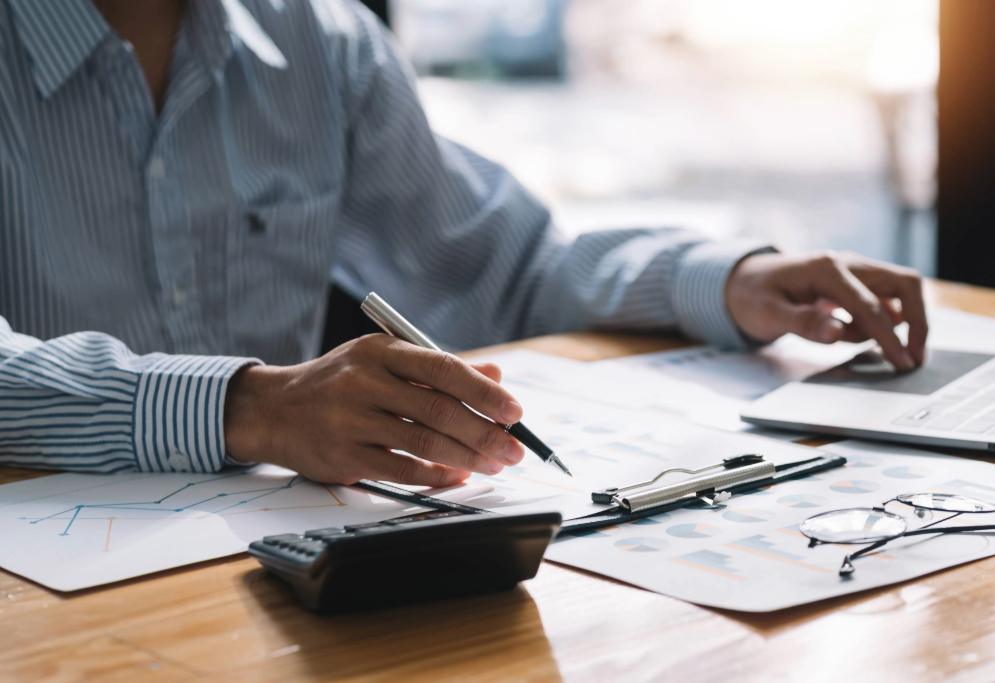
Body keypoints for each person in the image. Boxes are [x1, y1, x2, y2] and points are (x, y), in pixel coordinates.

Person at [0, 0, 927, 487]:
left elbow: (505, 270)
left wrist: (730, 281)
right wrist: (257, 410)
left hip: (262, 569)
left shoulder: (320, 41)